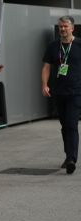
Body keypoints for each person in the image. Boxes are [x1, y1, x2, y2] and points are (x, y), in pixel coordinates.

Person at [41, 15, 81, 175]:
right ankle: (68, 156)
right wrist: (44, 85)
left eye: (65, 26)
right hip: (59, 91)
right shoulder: (53, 46)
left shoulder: (79, 44)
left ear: (72, 28)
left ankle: (72, 159)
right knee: (64, 126)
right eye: (60, 27)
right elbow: (46, 67)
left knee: (71, 124)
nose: (62, 29)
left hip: (76, 91)